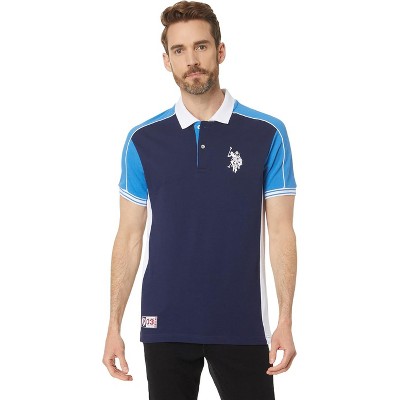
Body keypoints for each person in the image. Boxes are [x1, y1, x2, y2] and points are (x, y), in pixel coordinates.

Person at [102, 1, 297, 399]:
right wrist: (113, 326)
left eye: (201, 46)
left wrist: (286, 319)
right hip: (165, 323)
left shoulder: (266, 133)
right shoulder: (143, 140)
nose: (191, 60)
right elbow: (129, 237)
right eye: (179, 50)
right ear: (167, 61)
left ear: (220, 51)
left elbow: (281, 232)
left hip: (242, 324)